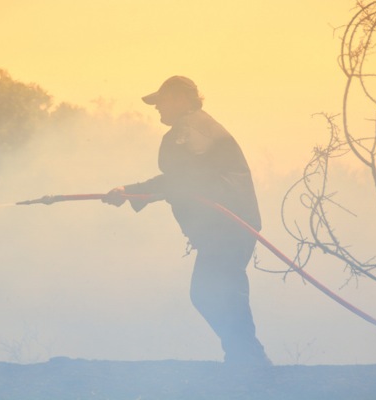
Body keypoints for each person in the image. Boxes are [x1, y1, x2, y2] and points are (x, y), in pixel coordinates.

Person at [103, 76, 271, 367]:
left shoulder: (188, 128)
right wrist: (135, 192)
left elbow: (185, 175)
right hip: (231, 223)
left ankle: (248, 358)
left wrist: (133, 191)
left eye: (161, 101)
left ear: (182, 98)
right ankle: (245, 357)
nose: (157, 109)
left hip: (226, 224)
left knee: (211, 292)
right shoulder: (199, 125)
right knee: (218, 290)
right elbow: (184, 177)